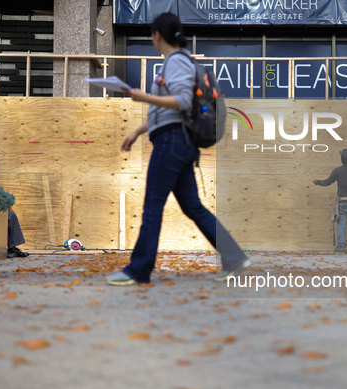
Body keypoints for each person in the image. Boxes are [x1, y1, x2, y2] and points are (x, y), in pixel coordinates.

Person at [105, 12, 250, 286]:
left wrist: (140, 96)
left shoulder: (176, 62)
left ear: (157, 36)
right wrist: (137, 131)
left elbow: (183, 101)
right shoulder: (176, 62)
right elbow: (167, 109)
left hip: (172, 142)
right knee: (192, 206)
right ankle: (234, 257)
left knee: (152, 207)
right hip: (178, 141)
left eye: (151, 35)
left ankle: (139, 269)